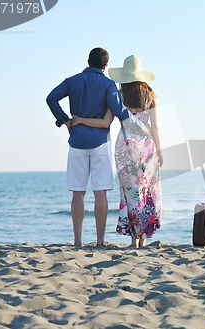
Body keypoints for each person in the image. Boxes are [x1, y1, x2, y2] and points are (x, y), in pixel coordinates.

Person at [72, 54, 163, 248]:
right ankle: (142, 239)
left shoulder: (118, 95)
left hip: (126, 147)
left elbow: (106, 122)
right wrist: (160, 151)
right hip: (147, 148)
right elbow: (155, 127)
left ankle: (133, 241)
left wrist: (80, 120)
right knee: (146, 191)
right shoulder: (151, 95)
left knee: (130, 193)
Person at [46, 48, 130, 246]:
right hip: (100, 142)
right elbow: (120, 111)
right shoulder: (108, 84)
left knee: (78, 192)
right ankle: (100, 241)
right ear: (105, 66)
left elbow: (51, 99)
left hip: (77, 141)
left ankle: (77, 241)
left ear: (88, 61)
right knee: (100, 192)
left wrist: (65, 120)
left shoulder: (72, 80)